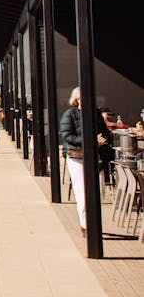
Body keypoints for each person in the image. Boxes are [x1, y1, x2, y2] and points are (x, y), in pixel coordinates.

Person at [59, 87, 88, 236]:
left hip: (96, 158)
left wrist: (103, 139)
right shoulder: (70, 114)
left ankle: (92, 222)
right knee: (82, 191)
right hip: (76, 157)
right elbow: (66, 136)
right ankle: (85, 225)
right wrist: (88, 140)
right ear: (77, 99)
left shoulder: (95, 113)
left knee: (97, 193)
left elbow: (105, 132)